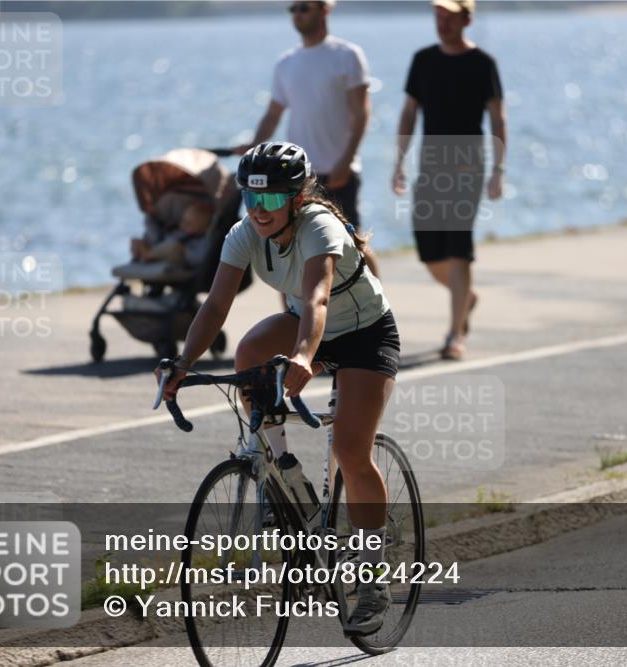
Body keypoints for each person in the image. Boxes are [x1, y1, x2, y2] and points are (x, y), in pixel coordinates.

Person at [157, 142, 399, 635]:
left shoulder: (320, 227)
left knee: (352, 451)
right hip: (301, 326)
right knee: (248, 352)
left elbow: (316, 297)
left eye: (270, 201)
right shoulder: (244, 232)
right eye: (250, 198)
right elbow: (216, 303)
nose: (258, 210)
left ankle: (374, 578)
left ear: (296, 198)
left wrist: (306, 357)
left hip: (363, 334)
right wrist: (184, 361)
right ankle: (278, 465)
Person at [392, 0, 506, 360]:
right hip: (430, 167)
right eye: (438, 16)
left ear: (467, 19)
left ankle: (455, 334)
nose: (442, 23)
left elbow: (498, 119)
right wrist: (399, 162)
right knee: (430, 253)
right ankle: (466, 298)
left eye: (449, 17)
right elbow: (410, 113)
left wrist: (498, 171)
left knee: (460, 251)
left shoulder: (483, 64)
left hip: (467, 167)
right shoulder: (423, 60)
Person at [235, 0, 379, 277]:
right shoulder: (286, 63)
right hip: (296, 176)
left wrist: (346, 159)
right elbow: (273, 114)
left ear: (324, 10)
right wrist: (253, 145)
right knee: (288, 245)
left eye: (304, 7)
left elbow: (361, 113)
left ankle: (377, 306)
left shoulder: (347, 54)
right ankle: (293, 315)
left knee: (352, 243)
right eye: (294, 9)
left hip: (340, 171)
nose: (297, 14)